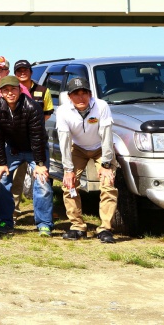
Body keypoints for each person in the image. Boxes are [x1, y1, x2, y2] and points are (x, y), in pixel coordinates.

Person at [0, 75, 53, 236]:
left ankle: (44, 224)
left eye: (13, 89)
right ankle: (6, 221)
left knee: (42, 180)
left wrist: (39, 163)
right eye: (6, 90)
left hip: (35, 149)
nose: (10, 93)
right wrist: (1, 163)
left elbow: (37, 136)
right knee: (1, 179)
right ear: (1, 93)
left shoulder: (32, 107)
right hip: (13, 149)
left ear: (20, 89)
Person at [57, 77, 118, 243]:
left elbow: (106, 135)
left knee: (108, 184)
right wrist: (68, 170)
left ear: (91, 94)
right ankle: (77, 226)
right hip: (77, 148)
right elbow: (64, 141)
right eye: (76, 94)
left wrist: (106, 164)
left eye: (85, 93)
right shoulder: (62, 111)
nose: (81, 97)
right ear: (69, 96)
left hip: (101, 148)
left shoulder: (101, 106)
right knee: (68, 185)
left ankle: (105, 228)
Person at [11, 59, 55, 216]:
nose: (22, 73)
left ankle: (42, 217)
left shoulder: (43, 90)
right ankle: (13, 213)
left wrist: (32, 123)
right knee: (16, 180)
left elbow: (48, 112)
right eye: (19, 71)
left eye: (25, 70)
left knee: (42, 180)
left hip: (37, 141)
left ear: (31, 72)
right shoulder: (13, 90)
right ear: (15, 73)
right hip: (17, 143)